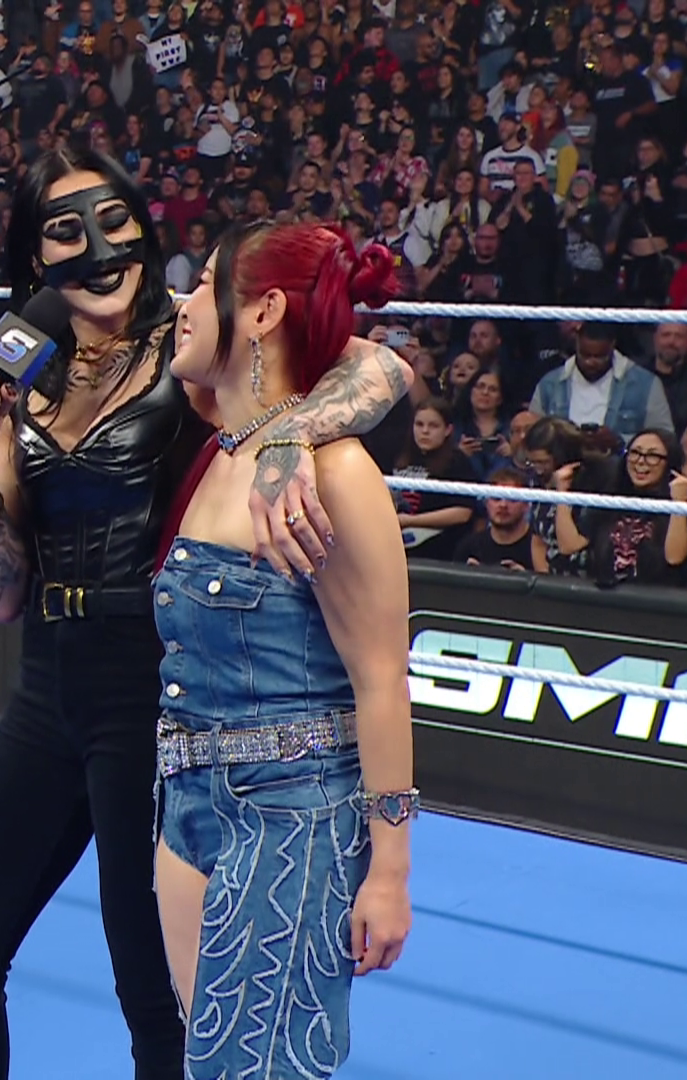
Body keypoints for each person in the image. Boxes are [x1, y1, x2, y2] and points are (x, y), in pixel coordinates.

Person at [0, 144, 412, 1080]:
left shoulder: (194, 345)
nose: (98, 248)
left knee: (155, 996)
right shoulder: (23, 378)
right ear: (34, 258)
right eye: (66, 231)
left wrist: (295, 434)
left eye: (113, 221)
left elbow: (377, 367)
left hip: (155, 689)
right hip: (46, 685)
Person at [155, 222, 415, 1078]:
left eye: (205, 284)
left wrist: (389, 868)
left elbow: (382, 678)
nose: (184, 302)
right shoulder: (221, 447)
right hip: (187, 800)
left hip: (293, 814)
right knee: (210, 1060)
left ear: (263, 312)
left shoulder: (335, 473)